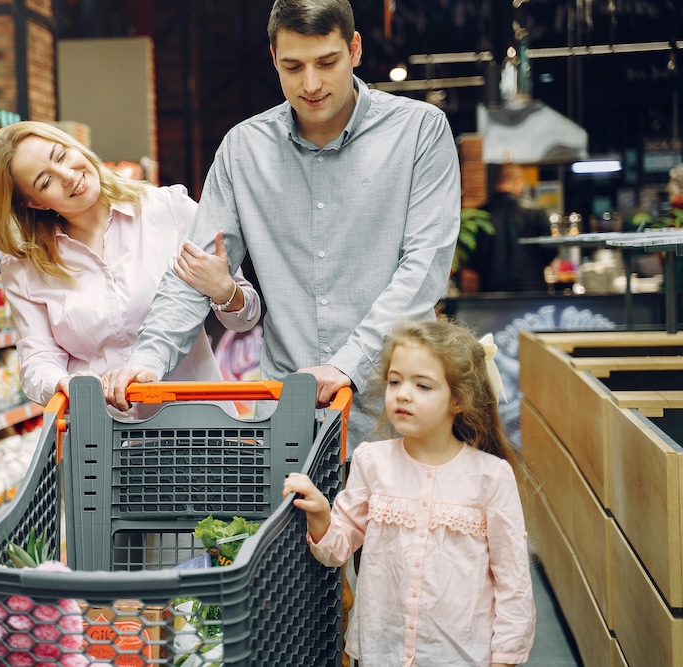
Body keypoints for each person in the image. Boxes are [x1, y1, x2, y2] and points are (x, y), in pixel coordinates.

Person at [103, 0, 461, 450]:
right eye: (293, 67)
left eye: (326, 63)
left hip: (397, 406)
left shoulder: (419, 131)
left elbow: (424, 268)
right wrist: (148, 360)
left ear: (354, 49)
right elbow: (193, 273)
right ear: (273, 58)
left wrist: (347, 364)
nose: (311, 84)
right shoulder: (244, 149)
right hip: (289, 414)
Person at [283, 318, 536, 666]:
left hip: (460, 658)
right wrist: (320, 514)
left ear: (458, 399)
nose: (402, 393)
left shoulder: (490, 477)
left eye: (423, 385)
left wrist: (504, 658)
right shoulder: (371, 461)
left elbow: (513, 582)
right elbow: (336, 550)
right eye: (395, 381)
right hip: (381, 653)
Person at [0, 121, 261, 416]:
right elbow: (37, 359)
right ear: (33, 203)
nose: (67, 176)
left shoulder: (167, 209)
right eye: (45, 181)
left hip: (195, 424)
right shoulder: (24, 267)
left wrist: (226, 293)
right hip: (103, 430)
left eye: (61, 156)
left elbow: (246, 317)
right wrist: (62, 383)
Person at [469, 163, 554, 292]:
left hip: (491, 292)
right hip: (532, 290)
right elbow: (550, 250)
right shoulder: (534, 211)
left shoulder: (479, 215)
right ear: (517, 180)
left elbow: (470, 259)